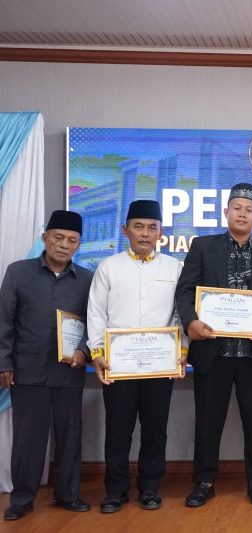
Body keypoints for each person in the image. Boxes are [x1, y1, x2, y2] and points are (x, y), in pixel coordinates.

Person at [176, 182, 252, 508]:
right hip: (214, 352)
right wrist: (191, 322)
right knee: (208, 423)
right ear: (226, 212)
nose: (242, 213)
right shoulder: (203, 247)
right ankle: (204, 481)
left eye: (248, 210)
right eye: (236, 208)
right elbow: (185, 291)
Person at [87, 200, 187, 513]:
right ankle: (115, 490)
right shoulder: (108, 267)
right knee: (118, 429)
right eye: (138, 227)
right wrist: (97, 353)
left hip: (159, 365)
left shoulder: (175, 268)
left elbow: (181, 316)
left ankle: (150, 487)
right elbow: (96, 313)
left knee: (155, 428)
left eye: (152, 228)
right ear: (125, 230)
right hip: (119, 365)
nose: (145, 233)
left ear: (161, 232)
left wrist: (181, 351)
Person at [0, 210, 93, 521]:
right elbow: (4, 322)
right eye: (58, 238)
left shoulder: (88, 279)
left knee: (70, 436)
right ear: (45, 238)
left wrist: (84, 351)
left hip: (70, 370)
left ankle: (67, 495)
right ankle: (22, 499)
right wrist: (4, 363)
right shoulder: (18, 272)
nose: (64, 245)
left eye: (71, 241)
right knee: (28, 438)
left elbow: (95, 324)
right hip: (27, 370)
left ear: (78, 245)